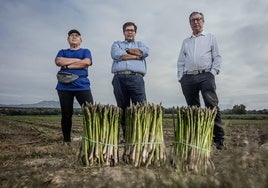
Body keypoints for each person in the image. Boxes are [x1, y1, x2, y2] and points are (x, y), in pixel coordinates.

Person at [177, 12, 225, 149]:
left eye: (198, 19)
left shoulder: (210, 37)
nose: (195, 22)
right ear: (190, 23)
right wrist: (181, 77)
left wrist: (212, 73)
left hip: (205, 75)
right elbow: (180, 61)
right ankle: (197, 136)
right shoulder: (186, 41)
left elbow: (217, 57)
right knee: (193, 108)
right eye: (192, 20)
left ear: (203, 21)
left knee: (212, 105)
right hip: (188, 77)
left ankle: (219, 139)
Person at [111, 22, 149, 139]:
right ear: (124, 32)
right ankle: (127, 136)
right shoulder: (116, 44)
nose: (130, 32)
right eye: (127, 30)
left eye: (132, 30)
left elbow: (144, 52)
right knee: (122, 108)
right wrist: (135, 55)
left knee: (141, 106)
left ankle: (141, 136)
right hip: (119, 78)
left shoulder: (141, 44)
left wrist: (126, 52)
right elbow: (116, 55)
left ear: (135, 32)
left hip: (136, 77)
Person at [55, 29, 93, 143]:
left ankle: (91, 139)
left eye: (77, 35)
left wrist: (67, 66)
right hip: (64, 86)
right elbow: (58, 61)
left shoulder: (85, 51)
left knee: (90, 112)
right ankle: (67, 141)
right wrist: (77, 61)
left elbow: (86, 62)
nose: (74, 37)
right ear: (68, 39)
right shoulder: (62, 51)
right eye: (71, 35)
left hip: (82, 85)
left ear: (81, 40)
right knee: (66, 114)